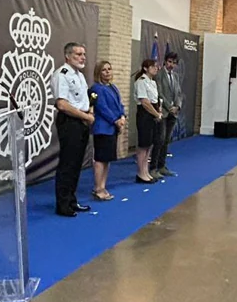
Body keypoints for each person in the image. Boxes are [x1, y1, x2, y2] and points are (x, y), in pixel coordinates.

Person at [53, 42, 94, 218]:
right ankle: (62, 204)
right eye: (78, 54)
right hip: (70, 121)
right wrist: (85, 117)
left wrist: (89, 112)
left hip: (82, 120)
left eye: (84, 54)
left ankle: (71, 199)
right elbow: (62, 104)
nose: (82, 57)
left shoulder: (80, 75)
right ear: (67, 56)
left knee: (77, 163)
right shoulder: (61, 75)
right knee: (68, 163)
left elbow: (84, 99)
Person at [89, 60, 126, 201]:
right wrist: (115, 120)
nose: (107, 72)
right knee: (100, 158)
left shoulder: (113, 87)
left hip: (113, 128)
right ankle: (97, 188)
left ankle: (103, 185)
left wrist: (122, 116)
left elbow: (119, 104)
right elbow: (102, 108)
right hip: (102, 128)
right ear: (99, 72)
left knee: (107, 159)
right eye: (104, 70)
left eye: (109, 69)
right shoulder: (96, 89)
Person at [133, 59, 163, 184]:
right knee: (143, 145)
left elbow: (156, 99)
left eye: (156, 67)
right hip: (145, 114)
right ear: (145, 68)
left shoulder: (153, 82)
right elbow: (145, 102)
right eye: (153, 67)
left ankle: (146, 171)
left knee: (150, 144)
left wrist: (159, 111)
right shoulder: (141, 82)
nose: (156, 69)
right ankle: (140, 173)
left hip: (154, 113)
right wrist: (156, 114)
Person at [153, 52, 182, 178]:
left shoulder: (175, 76)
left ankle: (162, 166)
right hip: (163, 112)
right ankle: (153, 168)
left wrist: (177, 106)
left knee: (166, 141)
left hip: (173, 114)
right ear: (165, 61)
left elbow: (179, 93)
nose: (171, 65)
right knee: (159, 140)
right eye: (169, 62)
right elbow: (159, 93)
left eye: (174, 63)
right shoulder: (159, 75)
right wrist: (169, 107)